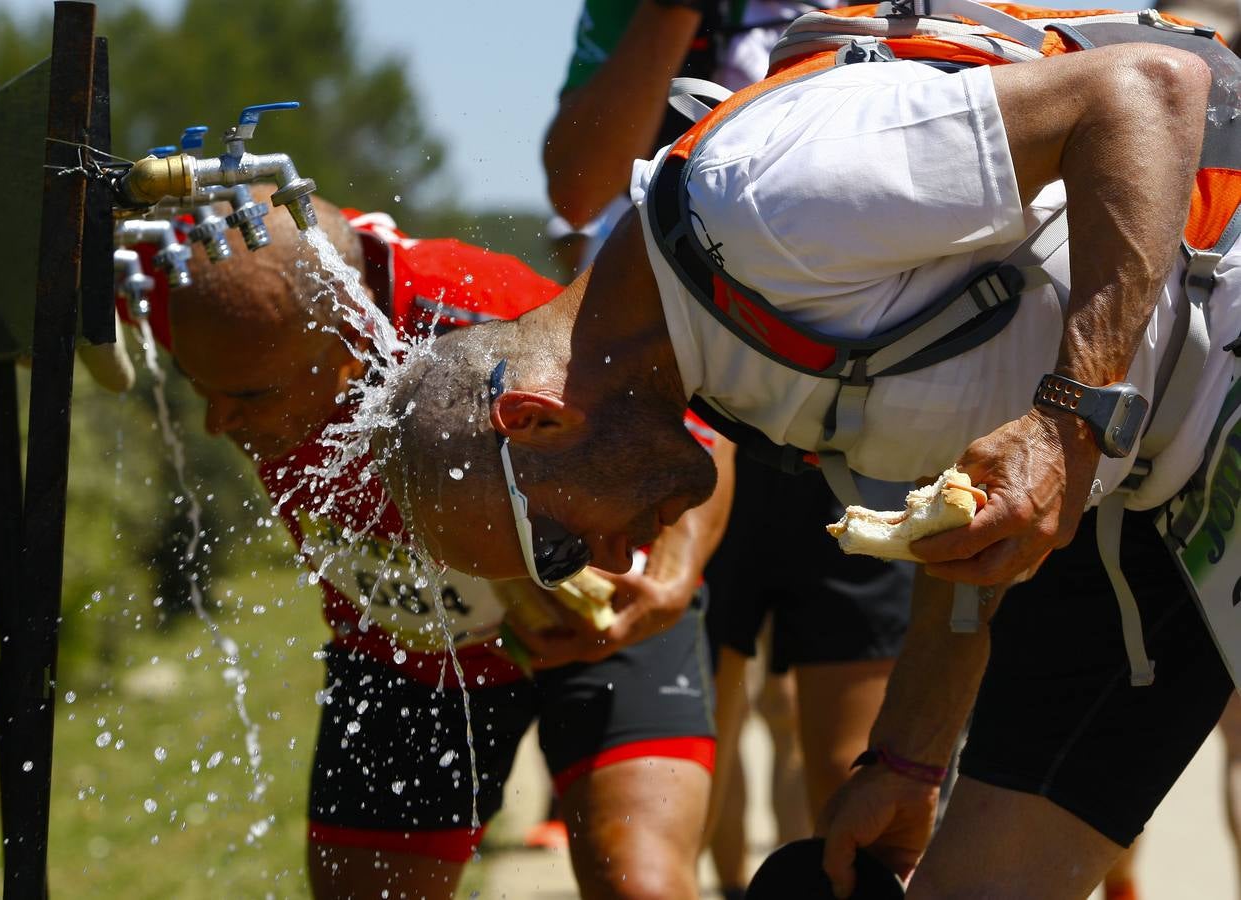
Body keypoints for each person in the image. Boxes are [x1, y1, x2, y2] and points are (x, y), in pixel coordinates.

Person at [376, 24, 1241, 899]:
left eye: (557, 548)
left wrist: (1068, 422)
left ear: (535, 420)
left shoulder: (758, 202)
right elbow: (968, 479)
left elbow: (1148, 91)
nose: (601, 567)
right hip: (1140, 487)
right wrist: (910, 757)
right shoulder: (709, 361)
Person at [129, 188, 735, 899]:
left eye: (254, 396)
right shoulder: (206, 283)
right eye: (201, 384)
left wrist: (671, 576)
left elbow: (693, 432)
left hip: (601, 613)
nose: (216, 420)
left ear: (352, 352)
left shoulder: (484, 313)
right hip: (404, 651)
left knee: (641, 885)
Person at [543, 3, 912, 895]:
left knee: (854, 775)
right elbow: (577, 188)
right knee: (696, 748)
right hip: (678, 409)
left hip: (859, 412)